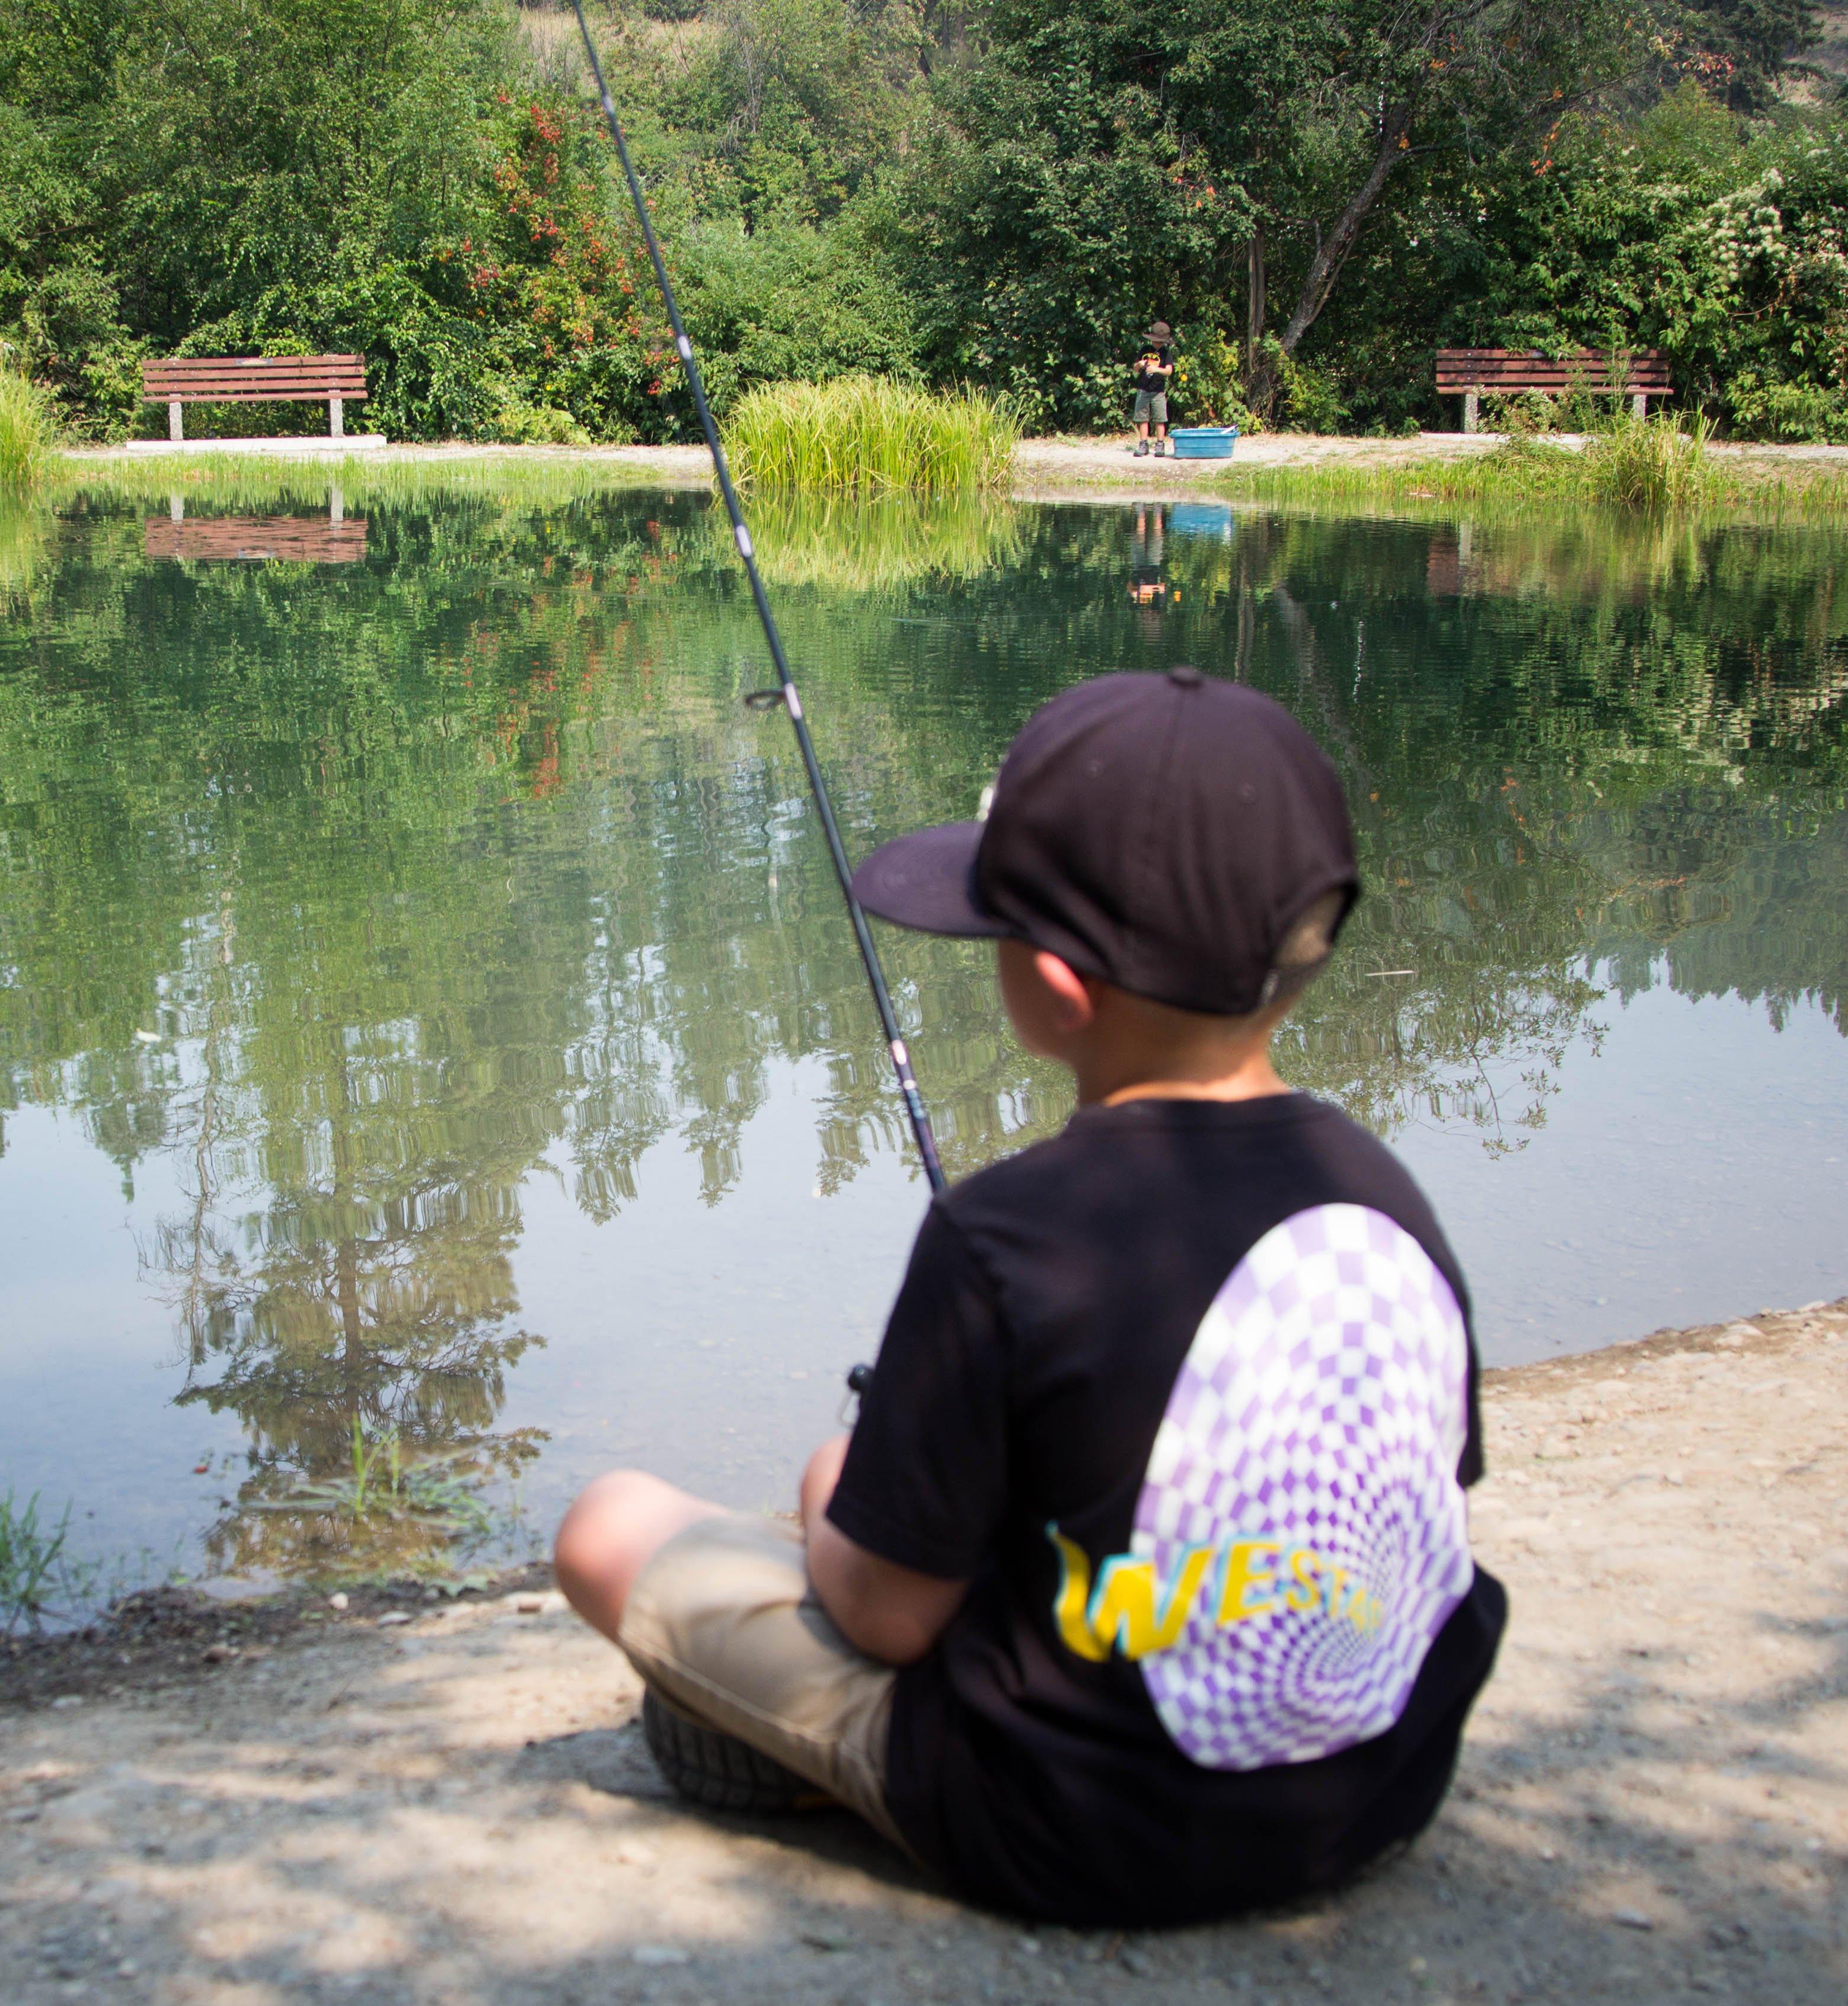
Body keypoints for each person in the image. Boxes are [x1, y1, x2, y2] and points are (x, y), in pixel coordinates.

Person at [552, 669, 1505, 1928]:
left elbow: (889, 1620)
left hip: (1069, 1825)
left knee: (611, 1523)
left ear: (1055, 987)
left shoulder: (995, 1234)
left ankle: (813, 1757)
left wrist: (835, 1496)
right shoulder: (1380, 1195)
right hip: (1374, 1786)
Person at [1130, 321, 1176, 457]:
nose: (1157, 344)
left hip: (1158, 391)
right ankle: (1144, 444)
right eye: (1155, 341)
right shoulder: (1145, 350)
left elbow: (1169, 371)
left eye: (1159, 342)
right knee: (1142, 418)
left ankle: (1160, 444)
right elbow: (1135, 368)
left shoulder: (1166, 353)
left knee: (1160, 419)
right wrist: (1140, 364)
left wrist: (1157, 369)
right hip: (1144, 389)